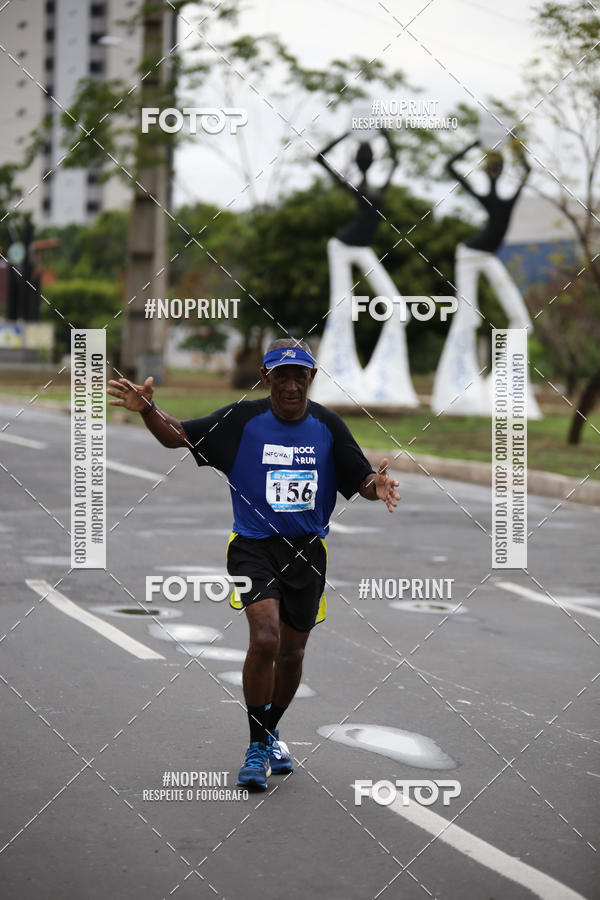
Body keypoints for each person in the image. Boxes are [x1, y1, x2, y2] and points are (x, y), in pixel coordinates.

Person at [107, 338, 400, 790]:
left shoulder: (327, 425)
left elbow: (358, 476)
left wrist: (374, 485)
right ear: (266, 378)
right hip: (253, 546)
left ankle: (270, 731)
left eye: (298, 375)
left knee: (293, 653)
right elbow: (179, 434)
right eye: (280, 375)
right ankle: (256, 745)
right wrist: (148, 409)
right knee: (265, 638)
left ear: (311, 378)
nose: (290, 384)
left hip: (307, 552)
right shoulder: (241, 421)